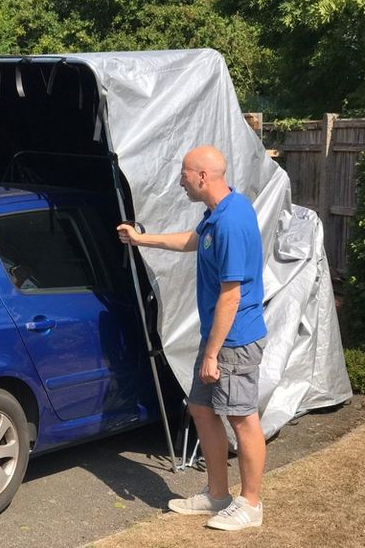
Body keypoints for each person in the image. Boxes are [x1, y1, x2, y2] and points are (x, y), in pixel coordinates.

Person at [117, 146, 267, 531]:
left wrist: (213, 353)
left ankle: (250, 505)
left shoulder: (232, 221)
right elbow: (191, 241)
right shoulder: (217, 216)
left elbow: (231, 295)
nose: (180, 179)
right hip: (216, 339)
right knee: (202, 409)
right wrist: (141, 240)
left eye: (185, 173)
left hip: (234, 341)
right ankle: (217, 495)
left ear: (203, 176)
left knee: (241, 417)